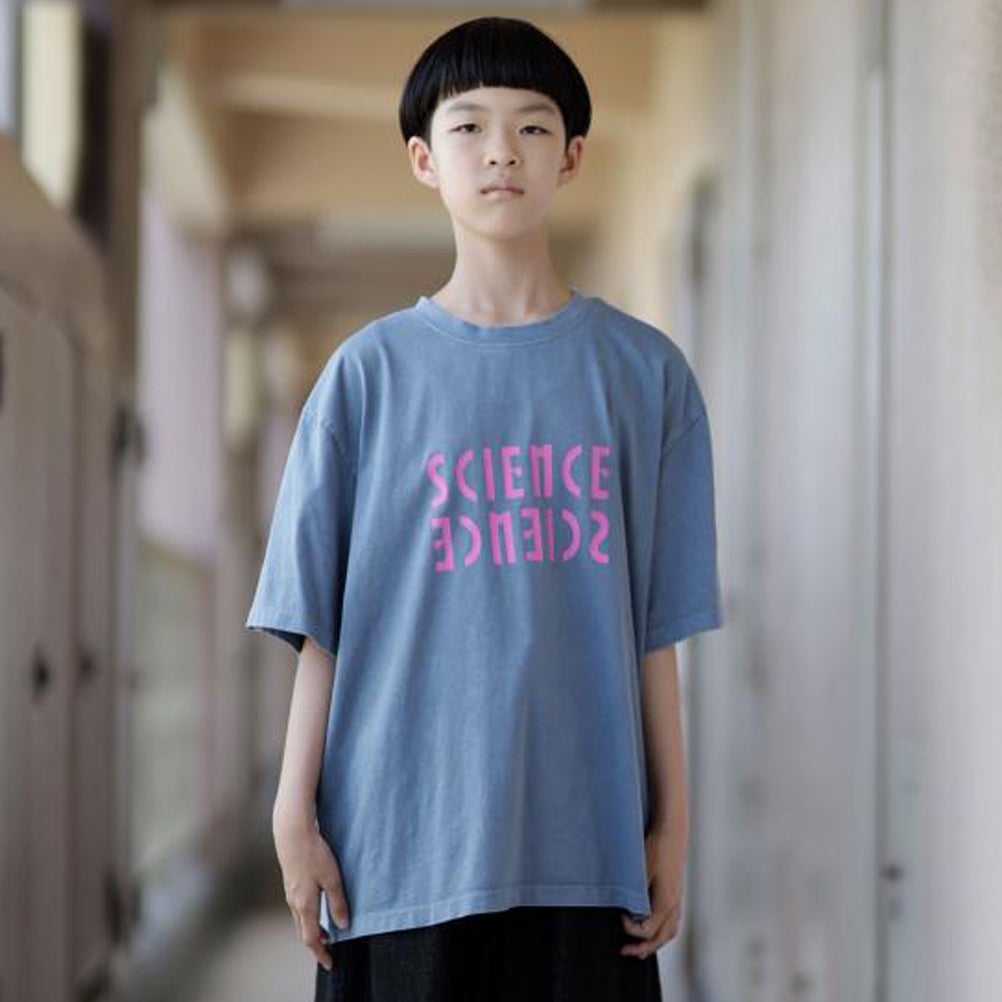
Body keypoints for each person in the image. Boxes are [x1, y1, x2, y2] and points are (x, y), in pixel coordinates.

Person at [245, 14, 724, 1002]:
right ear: (424, 160)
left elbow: (655, 633)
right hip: (396, 851)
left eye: (532, 126)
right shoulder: (366, 378)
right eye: (468, 127)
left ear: (572, 156)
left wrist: (673, 825)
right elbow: (321, 629)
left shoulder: (646, 377)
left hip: (585, 851)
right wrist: (293, 815)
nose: (502, 150)